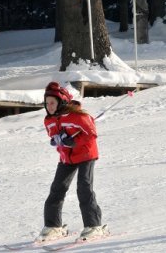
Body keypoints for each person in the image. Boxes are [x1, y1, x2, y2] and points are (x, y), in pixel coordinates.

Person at [37, 82, 108, 242]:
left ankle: (94, 226)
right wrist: (57, 139)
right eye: (47, 103)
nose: (49, 106)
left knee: (83, 188)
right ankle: (53, 226)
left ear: (61, 102)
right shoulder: (49, 120)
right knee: (57, 189)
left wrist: (73, 141)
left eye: (52, 103)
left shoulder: (79, 116)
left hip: (85, 155)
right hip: (66, 158)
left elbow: (91, 134)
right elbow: (52, 134)